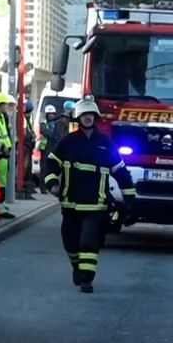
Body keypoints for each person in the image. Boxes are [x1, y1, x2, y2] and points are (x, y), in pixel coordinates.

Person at [42, 98, 136, 294]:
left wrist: (130, 201)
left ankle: (87, 279)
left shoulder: (105, 143)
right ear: (78, 117)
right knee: (70, 242)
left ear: (95, 117)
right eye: (84, 115)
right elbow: (51, 164)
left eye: (90, 115)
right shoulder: (68, 142)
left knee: (88, 241)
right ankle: (77, 267)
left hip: (96, 204)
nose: (87, 118)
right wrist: (52, 183)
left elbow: (120, 171)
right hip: (70, 203)